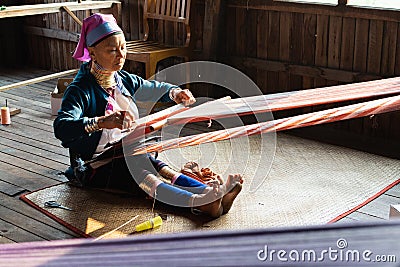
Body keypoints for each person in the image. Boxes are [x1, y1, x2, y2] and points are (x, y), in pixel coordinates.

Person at [53, 13, 242, 218]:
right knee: (143, 175)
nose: (121, 55)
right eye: (112, 50)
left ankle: (211, 194)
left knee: (159, 166)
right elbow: (62, 127)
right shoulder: (79, 90)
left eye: (123, 48)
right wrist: (100, 122)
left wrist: (175, 93)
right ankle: (199, 204)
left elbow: (151, 87)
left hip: (127, 151)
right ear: (93, 52)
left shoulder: (122, 80)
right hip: (94, 164)